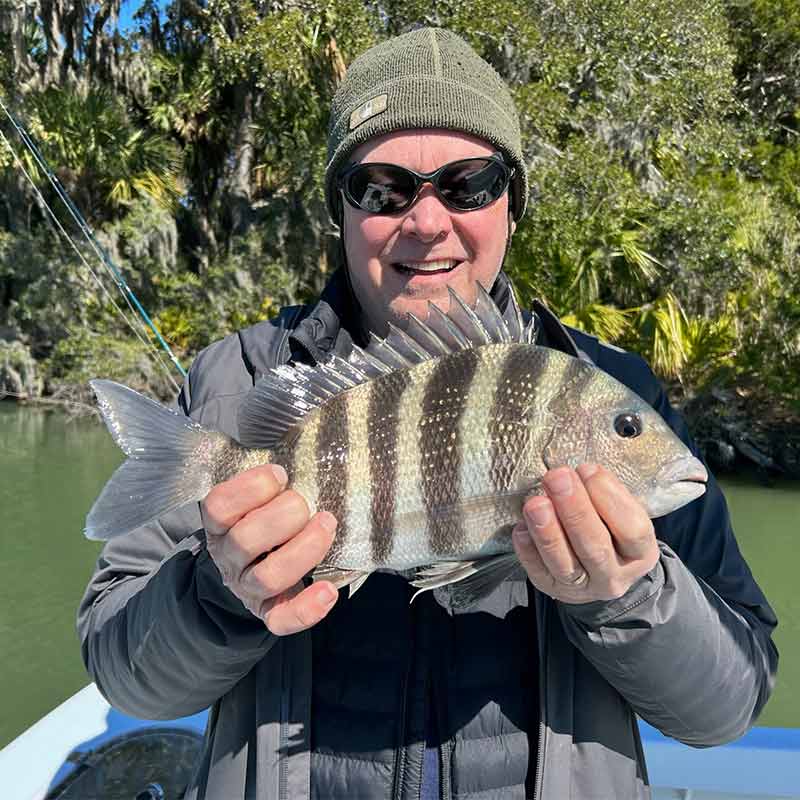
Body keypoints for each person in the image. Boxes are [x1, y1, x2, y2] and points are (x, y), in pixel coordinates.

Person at [78, 28, 778, 800]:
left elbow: (729, 705)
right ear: (341, 212)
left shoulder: (609, 384)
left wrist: (630, 593)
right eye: (382, 187)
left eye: (469, 183)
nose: (427, 220)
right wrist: (218, 590)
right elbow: (126, 678)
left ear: (512, 205)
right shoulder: (235, 385)